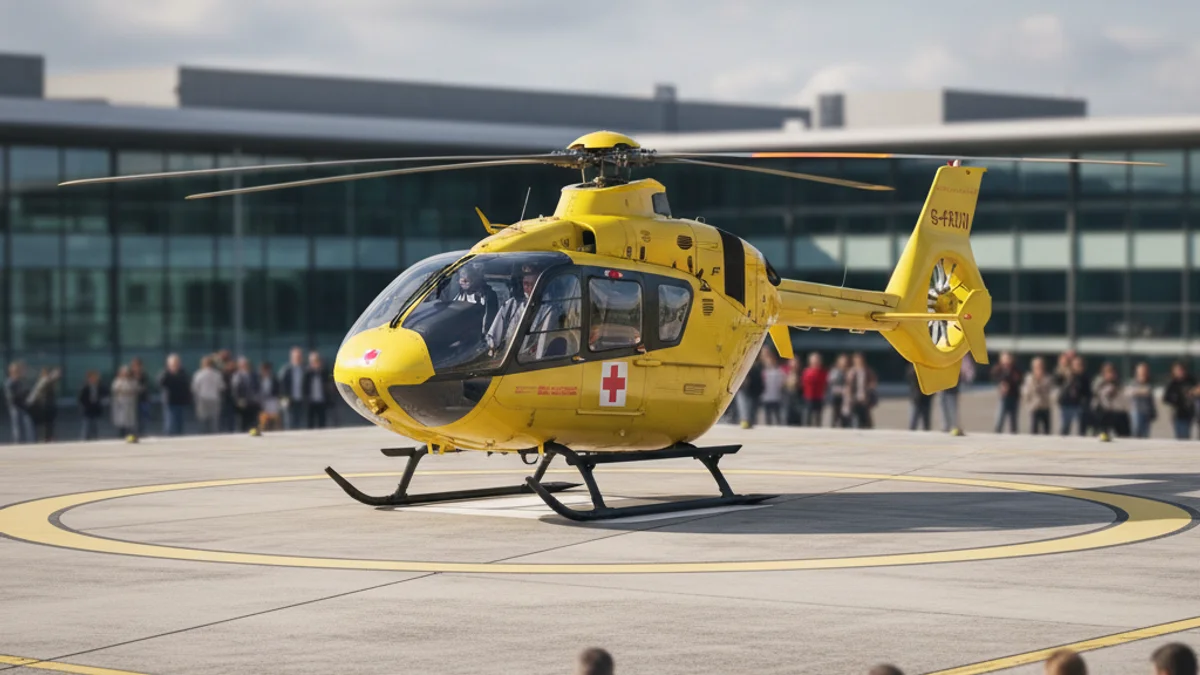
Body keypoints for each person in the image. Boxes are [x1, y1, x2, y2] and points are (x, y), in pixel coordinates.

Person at [454, 261, 499, 333]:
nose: (463, 281)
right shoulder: (460, 295)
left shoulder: (486, 296)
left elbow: (488, 323)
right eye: (462, 278)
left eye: (467, 279)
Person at [157, 354, 191, 436]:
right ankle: (169, 438)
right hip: (170, 401)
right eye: (173, 364)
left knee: (179, 423)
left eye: (177, 363)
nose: (175, 365)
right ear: (169, 365)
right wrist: (168, 373)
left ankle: (179, 437)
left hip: (180, 401)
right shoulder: (165, 373)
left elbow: (187, 385)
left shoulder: (183, 373)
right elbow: (160, 383)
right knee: (170, 423)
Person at [1057, 355, 1091, 436]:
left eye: (1079, 364)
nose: (1077, 366)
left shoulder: (1084, 377)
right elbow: (1058, 381)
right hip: (1066, 403)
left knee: (1080, 426)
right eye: (1075, 364)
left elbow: (1087, 392)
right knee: (1065, 426)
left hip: (1078, 404)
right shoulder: (1067, 374)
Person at [191, 356, 225, 434]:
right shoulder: (217, 374)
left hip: (202, 399)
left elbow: (194, 388)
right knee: (214, 421)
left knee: (202, 420)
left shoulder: (198, 374)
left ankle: (203, 435)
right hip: (214, 399)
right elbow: (221, 387)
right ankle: (214, 435)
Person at [1091, 361, 1126, 438]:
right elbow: (1096, 393)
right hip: (1100, 410)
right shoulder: (1099, 382)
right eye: (1108, 372)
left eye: (1112, 372)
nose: (1110, 375)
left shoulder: (1118, 383)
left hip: (1115, 411)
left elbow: (1122, 396)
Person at [26, 367, 61, 443]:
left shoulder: (46, 381)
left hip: (49, 405)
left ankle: (48, 437)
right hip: (45, 405)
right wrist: (54, 375)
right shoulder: (44, 381)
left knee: (49, 423)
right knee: (47, 423)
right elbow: (47, 382)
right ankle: (47, 437)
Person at [1162, 361, 1195, 440]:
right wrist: (1174, 399)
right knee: (1180, 436)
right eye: (1177, 370)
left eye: (1181, 370)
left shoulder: (1190, 380)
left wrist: (1192, 392)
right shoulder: (1172, 383)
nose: (1180, 372)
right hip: (1178, 413)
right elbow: (1165, 398)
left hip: (1189, 412)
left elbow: (1196, 390)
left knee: (1186, 434)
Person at [1022, 356, 1055, 435]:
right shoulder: (1029, 378)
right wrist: (1028, 405)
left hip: (1045, 407)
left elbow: (1051, 391)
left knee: (1047, 430)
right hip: (1034, 407)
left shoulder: (1048, 378)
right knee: (1034, 430)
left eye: (1040, 365)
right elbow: (1026, 393)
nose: (1039, 367)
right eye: (1036, 365)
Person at [991, 351, 1022, 433]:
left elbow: (1019, 380)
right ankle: (997, 434)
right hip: (1003, 397)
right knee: (1000, 418)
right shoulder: (998, 369)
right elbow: (994, 377)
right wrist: (1001, 384)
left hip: (1014, 396)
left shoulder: (1015, 369)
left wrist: (1009, 383)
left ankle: (1014, 435)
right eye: (1004, 358)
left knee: (1013, 420)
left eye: (1008, 358)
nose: (1006, 360)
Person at [277, 347, 306, 430]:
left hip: (301, 399)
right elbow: (281, 385)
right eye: (296, 357)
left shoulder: (304, 369)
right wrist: (283, 398)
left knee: (300, 421)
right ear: (292, 358)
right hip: (289, 400)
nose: (298, 358)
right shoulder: (286, 370)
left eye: (299, 356)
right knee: (289, 421)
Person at [5, 361, 34, 444]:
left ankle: (28, 441)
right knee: (17, 426)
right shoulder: (10, 383)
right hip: (15, 407)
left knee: (26, 424)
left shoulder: (20, 382)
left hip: (22, 406)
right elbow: (11, 397)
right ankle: (17, 442)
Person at [303, 351, 334, 429]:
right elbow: (304, 387)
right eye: (313, 362)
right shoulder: (307, 374)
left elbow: (329, 386)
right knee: (310, 422)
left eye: (316, 361)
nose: (315, 363)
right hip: (311, 401)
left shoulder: (325, 373)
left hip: (322, 400)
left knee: (322, 421)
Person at [845, 352, 876, 429]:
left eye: (860, 359)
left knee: (866, 420)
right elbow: (848, 385)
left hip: (864, 399)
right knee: (855, 419)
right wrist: (849, 397)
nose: (858, 361)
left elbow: (873, 382)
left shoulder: (867, 371)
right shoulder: (851, 371)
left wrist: (869, 388)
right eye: (856, 359)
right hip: (854, 399)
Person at [1126, 362, 1157, 438]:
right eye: (1141, 371)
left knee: (1145, 434)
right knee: (1136, 432)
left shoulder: (1149, 383)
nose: (1143, 373)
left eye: (1145, 371)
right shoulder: (1133, 382)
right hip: (1136, 411)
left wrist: (1153, 411)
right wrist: (1141, 391)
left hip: (1147, 411)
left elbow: (1149, 395)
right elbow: (1129, 392)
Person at [230, 356, 260, 433]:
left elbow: (257, 387)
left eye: (246, 364)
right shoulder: (237, 376)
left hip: (253, 402)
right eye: (243, 364)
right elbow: (235, 389)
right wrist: (238, 400)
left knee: (253, 420)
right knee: (242, 421)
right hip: (242, 402)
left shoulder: (254, 375)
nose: (246, 366)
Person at [110, 365, 141, 439]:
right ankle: (121, 434)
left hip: (130, 404)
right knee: (121, 421)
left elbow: (137, 389)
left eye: (127, 373)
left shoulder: (133, 381)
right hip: (121, 404)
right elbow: (115, 390)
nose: (125, 374)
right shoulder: (117, 381)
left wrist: (130, 391)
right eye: (124, 373)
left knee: (130, 422)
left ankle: (130, 435)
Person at [800, 352, 828, 427]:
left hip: (819, 397)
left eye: (817, 360)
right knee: (807, 417)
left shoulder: (823, 372)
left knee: (817, 417)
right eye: (814, 360)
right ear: (810, 361)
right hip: (808, 397)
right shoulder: (806, 371)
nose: (816, 362)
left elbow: (826, 384)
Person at [78, 370, 107, 441]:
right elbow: (81, 398)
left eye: (95, 378)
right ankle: (85, 438)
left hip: (95, 408)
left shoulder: (99, 387)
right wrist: (85, 405)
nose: (94, 379)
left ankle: (95, 438)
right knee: (86, 424)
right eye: (92, 378)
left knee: (95, 424)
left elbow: (105, 394)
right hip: (87, 408)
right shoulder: (85, 387)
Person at [759, 349, 786, 425]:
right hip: (766, 397)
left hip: (776, 397)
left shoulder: (779, 371)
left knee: (777, 416)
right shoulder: (763, 372)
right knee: (768, 417)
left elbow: (783, 382)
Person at [906, 363, 932, 430]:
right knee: (914, 418)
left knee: (925, 419)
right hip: (917, 396)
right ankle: (913, 431)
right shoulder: (913, 367)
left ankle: (926, 431)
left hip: (925, 397)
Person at [258, 361, 281, 431]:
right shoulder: (259, 378)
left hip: (272, 400)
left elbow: (278, 389)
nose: (266, 371)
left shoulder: (274, 378)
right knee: (264, 418)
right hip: (263, 400)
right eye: (264, 369)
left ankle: (275, 429)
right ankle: (263, 429)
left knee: (274, 417)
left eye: (267, 369)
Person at [827, 353, 849, 428]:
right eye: (842, 360)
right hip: (836, 396)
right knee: (835, 416)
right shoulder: (834, 371)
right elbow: (831, 384)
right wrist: (842, 390)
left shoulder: (849, 371)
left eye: (845, 361)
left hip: (846, 398)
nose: (844, 362)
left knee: (845, 417)